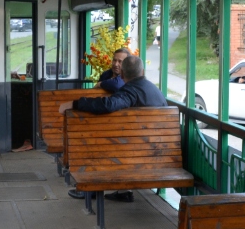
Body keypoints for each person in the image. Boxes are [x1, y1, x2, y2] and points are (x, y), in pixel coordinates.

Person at [61, 55, 167, 201]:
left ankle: (91, 190)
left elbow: (108, 104)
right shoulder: (154, 89)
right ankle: (123, 192)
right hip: (160, 150)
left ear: (122, 74)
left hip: (140, 152)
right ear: (142, 72)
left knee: (99, 145)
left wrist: (76, 103)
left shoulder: (130, 90)